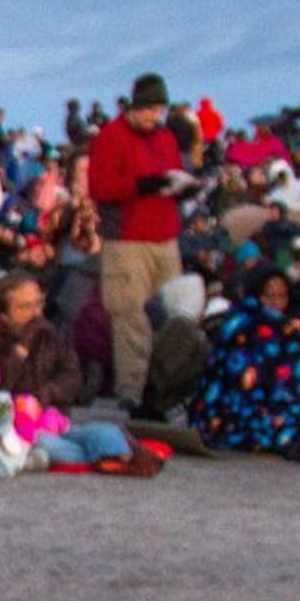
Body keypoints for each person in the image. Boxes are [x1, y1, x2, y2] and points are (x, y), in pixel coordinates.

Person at [84, 74, 192, 412]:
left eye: (158, 111)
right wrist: (145, 185)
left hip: (165, 235)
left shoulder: (166, 138)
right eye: (148, 111)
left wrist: (184, 188)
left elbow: (174, 176)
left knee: (173, 316)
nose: (153, 118)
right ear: (135, 107)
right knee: (130, 315)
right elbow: (101, 187)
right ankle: (131, 388)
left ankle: (168, 387)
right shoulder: (110, 137)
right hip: (128, 239)